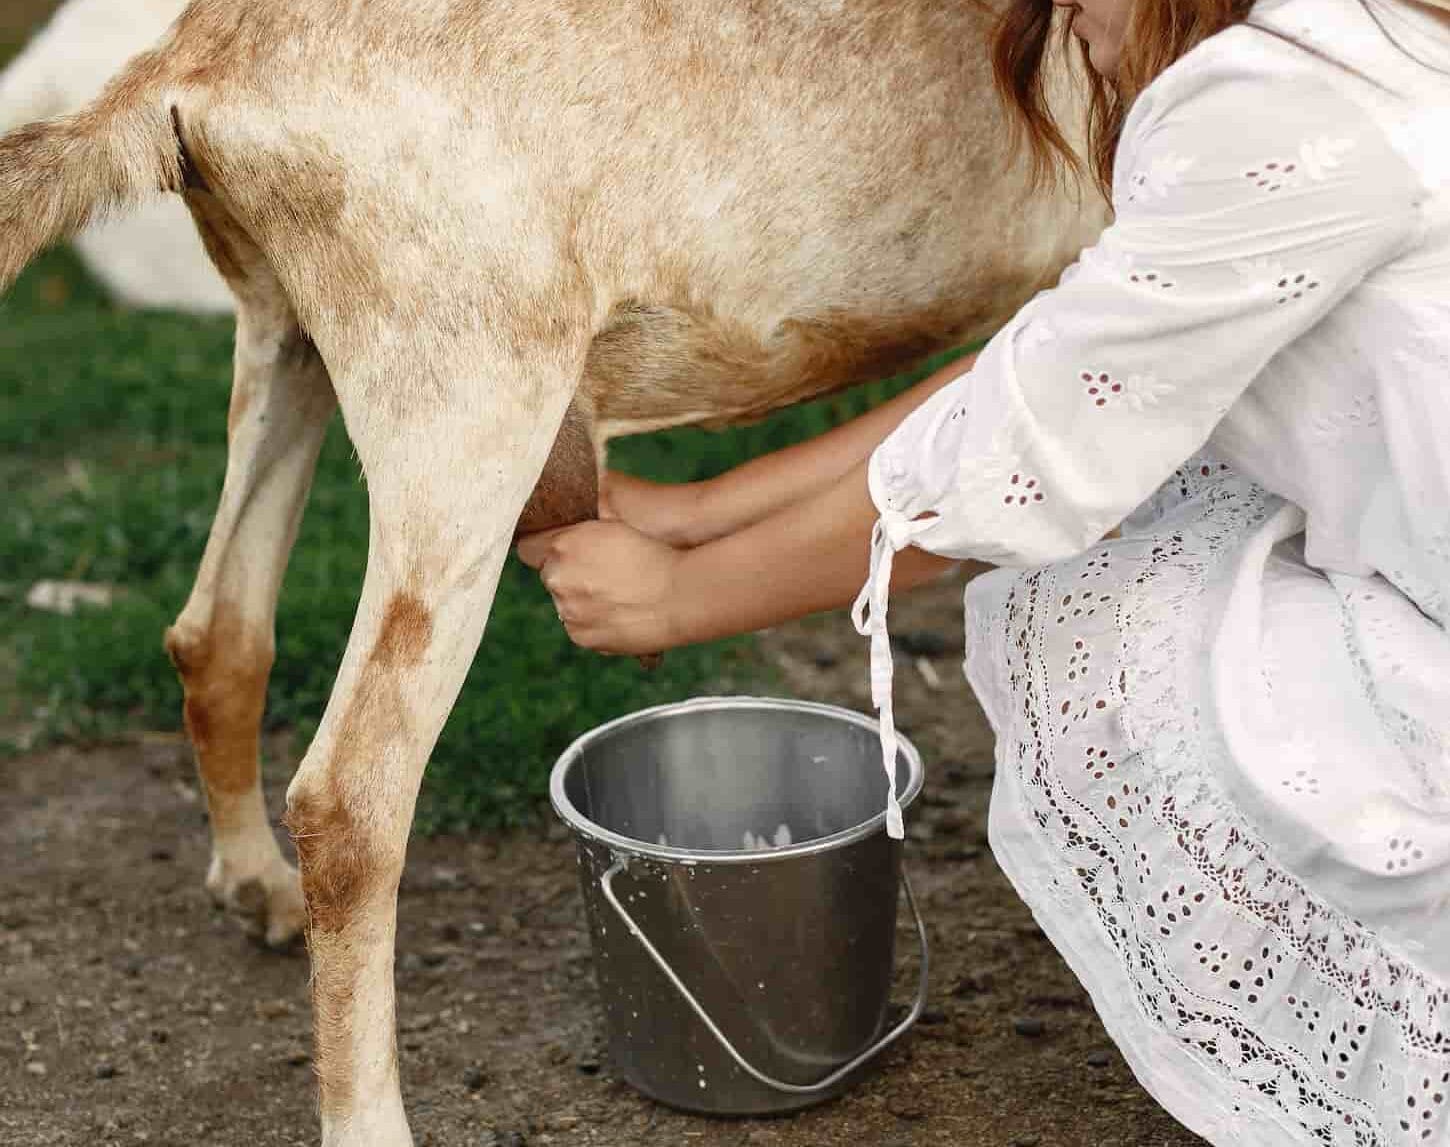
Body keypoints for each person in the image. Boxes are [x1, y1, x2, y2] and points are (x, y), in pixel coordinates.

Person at [518, 0, 1450, 1141]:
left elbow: (1030, 454)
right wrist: (702, 513)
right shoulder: (1363, 43)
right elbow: (1050, 362)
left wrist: (681, 597)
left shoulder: (1283, 103)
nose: (1071, 28)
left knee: (1110, 609)